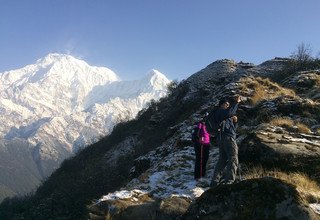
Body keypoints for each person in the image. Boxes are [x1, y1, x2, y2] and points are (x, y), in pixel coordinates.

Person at [210, 95, 241, 187]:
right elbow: (230, 112)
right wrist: (237, 103)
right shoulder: (220, 112)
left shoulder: (220, 115)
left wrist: (234, 122)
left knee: (222, 160)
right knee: (233, 157)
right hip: (228, 138)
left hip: (221, 138)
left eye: (228, 104)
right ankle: (230, 180)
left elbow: (233, 129)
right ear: (221, 105)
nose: (227, 106)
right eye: (226, 104)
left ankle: (214, 181)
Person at [194, 113, 211, 180]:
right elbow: (196, 133)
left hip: (207, 144)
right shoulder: (200, 125)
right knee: (199, 159)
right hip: (200, 144)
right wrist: (199, 138)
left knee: (205, 159)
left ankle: (203, 174)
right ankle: (198, 176)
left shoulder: (209, 126)